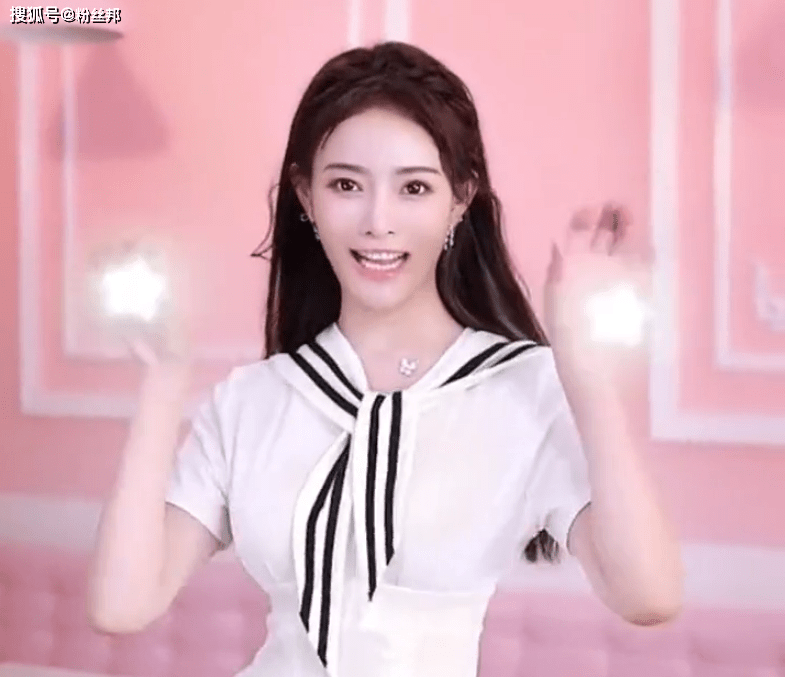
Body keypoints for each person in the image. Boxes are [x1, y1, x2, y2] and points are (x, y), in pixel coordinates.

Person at [87, 41, 683, 677]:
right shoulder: (253, 400)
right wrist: (163, 379)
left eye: (414, 188)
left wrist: (587, 377)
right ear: (306, 197)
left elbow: (647, 595)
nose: (378, 221)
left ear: (460, 199)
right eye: (346, 185)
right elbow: (122, 605)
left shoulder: (523, 389)